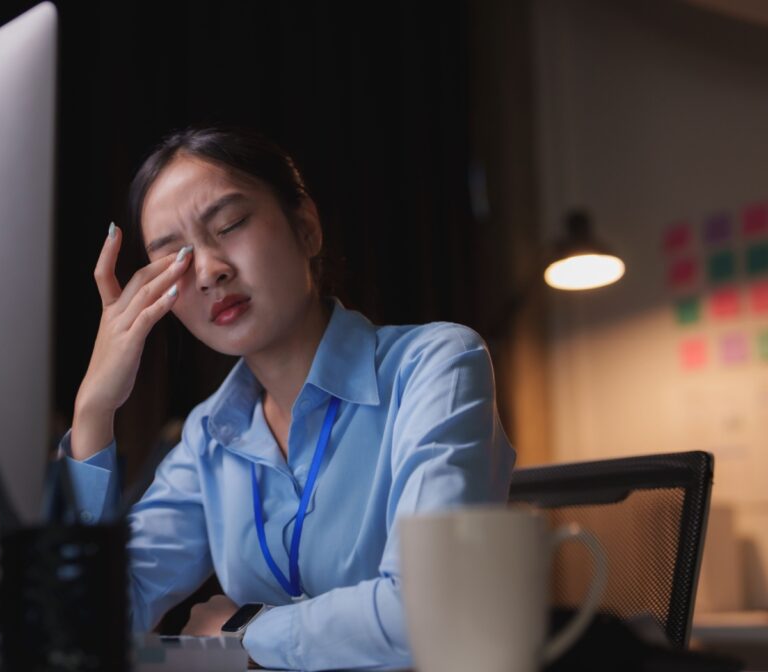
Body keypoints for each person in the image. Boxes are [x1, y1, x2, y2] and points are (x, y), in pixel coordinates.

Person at [56, 122, 516, 670]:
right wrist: (94, 412)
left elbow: (431, 611)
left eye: (228, 225)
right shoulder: (211, 436)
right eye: (173, 256)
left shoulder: (434, 365)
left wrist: (245, 630)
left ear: (306, 228)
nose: (208, 271)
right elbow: (82, 629)